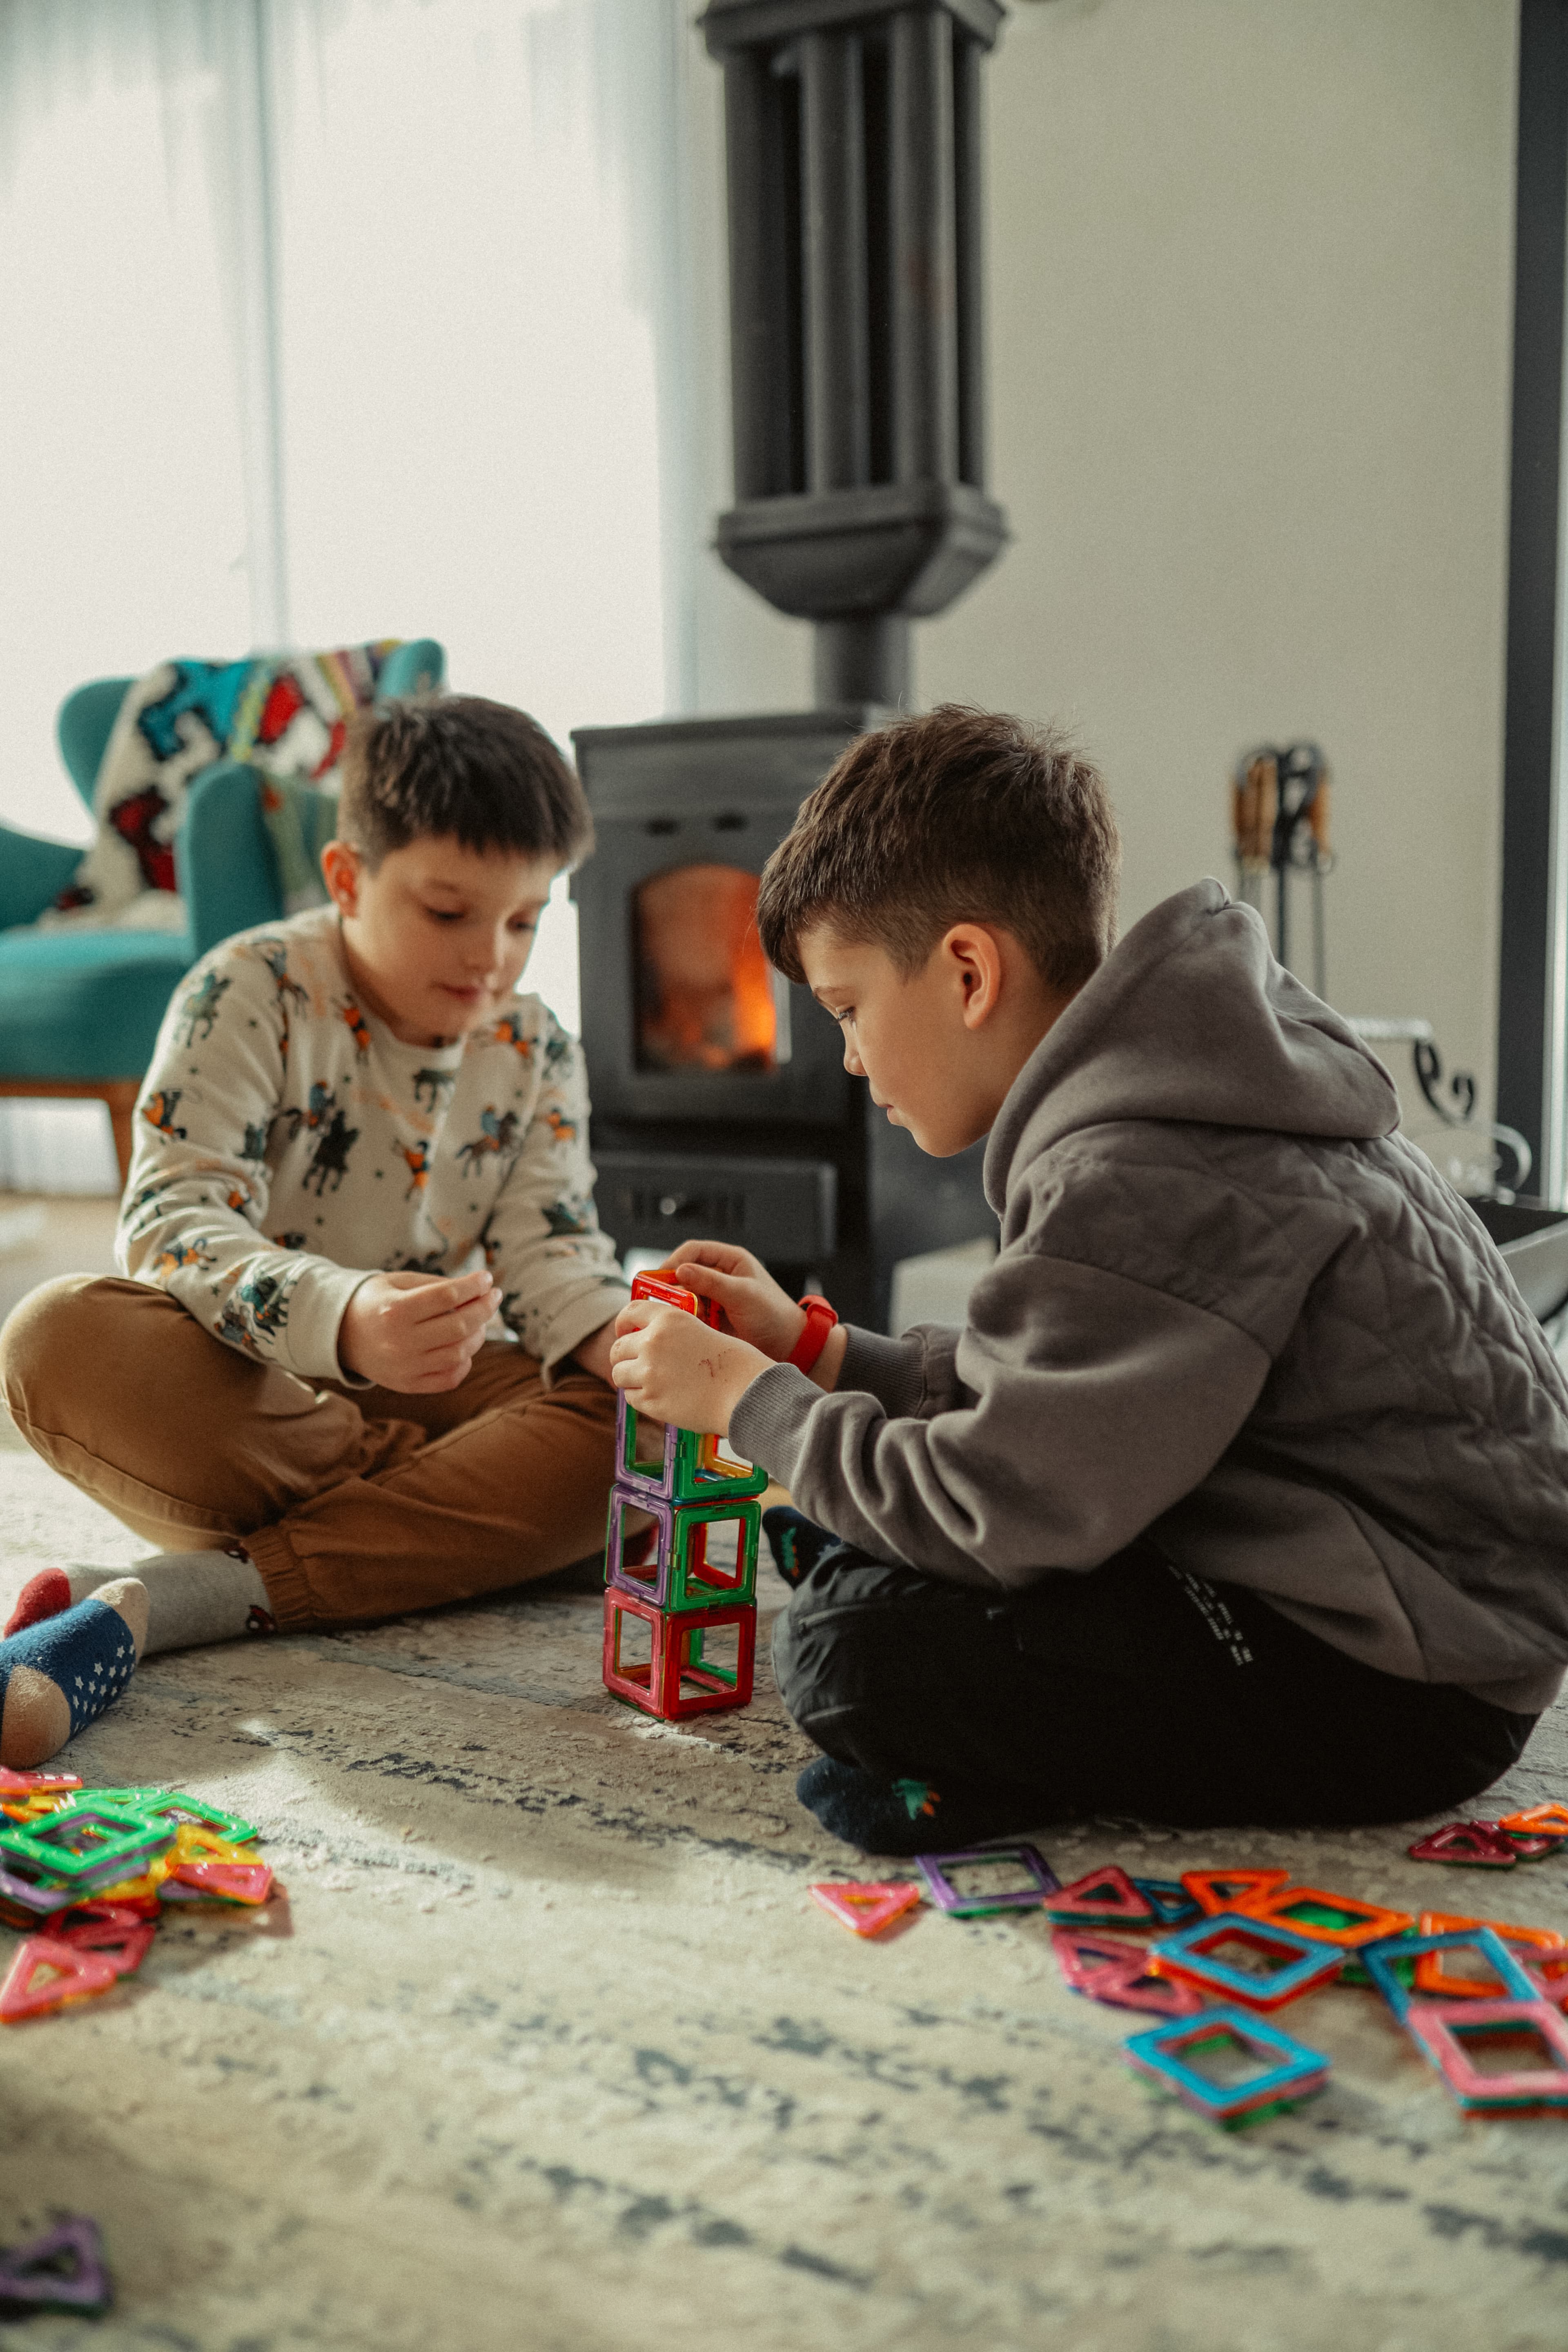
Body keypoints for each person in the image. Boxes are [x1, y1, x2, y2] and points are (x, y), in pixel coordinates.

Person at [608, 704, 1568, 1854]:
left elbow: (1003, 1503)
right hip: (1379, 1590)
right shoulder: (1183, 1080)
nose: (854, 1058)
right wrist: (818, 1354)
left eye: (851, 1011)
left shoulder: (1142, 1164)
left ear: (967, 970)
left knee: (853, 1654)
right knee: (875, 1541)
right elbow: (1068, 1385)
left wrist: (742, 1402)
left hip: (1413, 1678)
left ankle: (959, 1772)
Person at [0, 695, 628, 1767]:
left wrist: (638, 1349)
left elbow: (555, 1255)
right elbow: (170, 1221)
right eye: (449, 912)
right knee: (53, 1339)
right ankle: (479, 1530)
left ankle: (193, 1594)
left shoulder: (534, 1047)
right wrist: (342, 1315)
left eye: (525, 921)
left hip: (437, 1385)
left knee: (644, 1428)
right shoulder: (250, 990)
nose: (492, 958)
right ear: (347, 880)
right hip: (248, 1386)